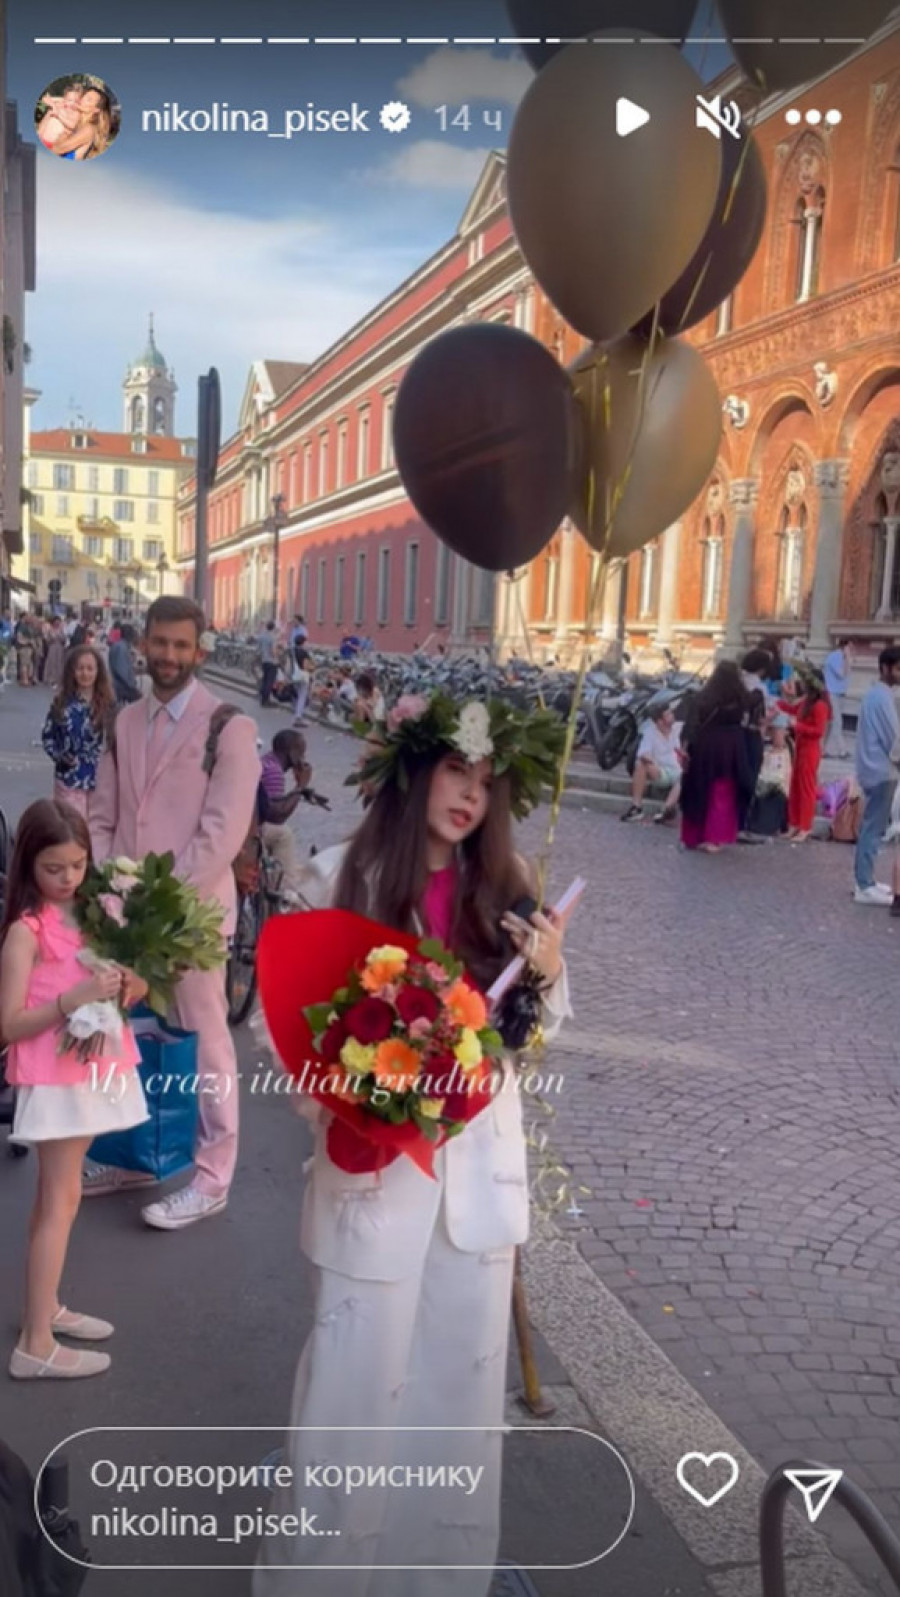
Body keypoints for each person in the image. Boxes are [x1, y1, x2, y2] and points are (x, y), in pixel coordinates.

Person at [252, 693, 571, 1596]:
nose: (469, 795)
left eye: (485, 781)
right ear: (415, 769)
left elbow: (536, 1029)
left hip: (475, 1190)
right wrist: (359, 1097)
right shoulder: (337, 878)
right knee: (349, 1397)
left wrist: (546, 974)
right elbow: (279, 1029)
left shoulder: (507, 891)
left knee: (455, 1402)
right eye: (455, 771)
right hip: (375, 1178)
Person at [84, 596, 260, 1223]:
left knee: (205, 1044)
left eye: (181, 645)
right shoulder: (125, 721)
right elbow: (102, 813)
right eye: (160, 643)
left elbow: (221, 834)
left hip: (193, 921)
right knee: (131, 1040)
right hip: (126, 914)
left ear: (199, 651)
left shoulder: (228, 728)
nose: (169, 655)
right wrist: (113, 885)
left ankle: (212, 1176)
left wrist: (159, 903)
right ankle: (136, 1157)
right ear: (143, 644)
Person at [0, 800, 148, 1380]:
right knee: (61, 1199)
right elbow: (9, 1025)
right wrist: (73, 999)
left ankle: (45, 1309)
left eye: (78, 865)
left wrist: (128, 984)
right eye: (53, 868)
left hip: (87, 1070)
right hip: (55, 1079)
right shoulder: (25, 931)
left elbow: (130, 985)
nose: (68, 878)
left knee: (56, 1199)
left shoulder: (94, 914)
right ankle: (36, 1344)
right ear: (28, 864)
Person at [680, 661, 756, 854]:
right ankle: (715, 837)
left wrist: (686, 748)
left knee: (700, 791)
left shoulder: (704, 697)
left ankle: (695, 836)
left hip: (706, 746)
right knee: (723, 792)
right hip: (732, 748)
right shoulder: (741, 699)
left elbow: (692, 725)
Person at [41, 646, 114, 819]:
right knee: (72, 828)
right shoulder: (62, 704)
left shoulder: (109, 706)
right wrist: (61, 757)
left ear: (98, 672)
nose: (85, 674)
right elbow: (48, 737)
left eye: (90, 669)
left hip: (101, 782)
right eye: (80, 668)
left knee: (97, 830)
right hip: (69, 780)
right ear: (72, 671)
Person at [853, 644, 900, 905]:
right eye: (898, 669)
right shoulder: (881, 698)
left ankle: (866, 879)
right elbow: (894, 740)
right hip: (881, 771)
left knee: (874, 826)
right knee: (873, 828)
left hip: (874, 769)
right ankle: (864, 884)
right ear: (885, 668)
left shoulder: (877, 695)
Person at [258, 730, 313, 898]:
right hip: (255, 826)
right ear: (292, 753)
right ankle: (286, 892)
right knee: (284, 835)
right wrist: (301, 786)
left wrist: (298, 792)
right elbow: (277, 815)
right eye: (301, 752)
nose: (303, 757)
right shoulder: (274, 771)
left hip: (252, 821)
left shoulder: (267, 761)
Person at [778, 666, 830, 842]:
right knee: (795, 787)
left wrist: (797, 726)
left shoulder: (820, 705)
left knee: (806, 788)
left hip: (810, 750)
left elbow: (818, 731)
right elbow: (792, 709)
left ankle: (805, 826)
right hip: (801, 747)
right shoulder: (807, 702)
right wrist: (777, 703)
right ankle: (794, 823)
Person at [620, 704, 683, 824]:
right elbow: (643, 753)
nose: (672, 716)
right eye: (668, 714)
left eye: (671, 713)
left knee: (685, 775)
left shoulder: (679, 728)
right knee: (640, 764)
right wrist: (652, 764)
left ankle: (666, 810)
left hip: (678, 771)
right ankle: (636, 808)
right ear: (659, 721)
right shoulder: (650, 732)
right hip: (660, 771)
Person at [746, 715, 792, 839]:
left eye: (779, 731)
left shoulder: (788, 751)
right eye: (774, 732)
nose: (776, 735)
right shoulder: (766, 750)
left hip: (779, 790)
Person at [52, 85, 113, 160]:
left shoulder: (89, 129)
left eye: (89, 99)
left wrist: (63, 135)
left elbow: (57, 149)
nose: (82, 100)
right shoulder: (77, 124)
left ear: (96, 109)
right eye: (83, 96)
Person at [823, 639, 852, 759]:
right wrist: (847, 659)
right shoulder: (835, 656)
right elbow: (841, 674)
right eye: (850, 647)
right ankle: (842, 750)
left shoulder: (843, 658)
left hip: (839, 693)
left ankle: (822, 749)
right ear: (844, 646)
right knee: (837, 721)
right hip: (832, 693)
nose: (851, 650)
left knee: (830, 723)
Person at [37, 83, 84, 151]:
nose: (72, 103)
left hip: (54, 145)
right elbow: (45, 99)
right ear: (64, 99)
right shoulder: (60, 105)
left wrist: (58, 114)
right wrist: (56, 104)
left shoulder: (76, 113)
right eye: (70, 100)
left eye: (76, 101)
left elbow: (72, 125)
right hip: (43, 139)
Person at [107, 623, 141, 704]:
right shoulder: (121, 648)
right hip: (122, 687)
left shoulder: (121, 646)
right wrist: (132, 686)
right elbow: (122, 671)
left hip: (119, 685)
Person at [41, 617, 66, 692]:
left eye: (58, 622)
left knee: (59, 663)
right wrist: (51, 637)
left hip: (60, 647)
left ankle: (58, 679)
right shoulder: (50, 630)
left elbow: (64, 639)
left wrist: (60, 636)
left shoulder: (61, 630)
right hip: (52, 647)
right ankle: (50, 679)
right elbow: (47, 640)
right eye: (56, 622)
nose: (57, 623)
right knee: (51, 662)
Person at [257, 620, 278, 707]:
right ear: (273, 628)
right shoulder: (272, 637)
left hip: (264, 660)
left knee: (265, 680)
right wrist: (276, 658)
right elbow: (273, 650)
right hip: (271, 661)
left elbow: (259, 648)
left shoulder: (261, 636)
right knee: (269, 681)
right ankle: (266, 700)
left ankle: (262, 698)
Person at [14, 613, 37, 686]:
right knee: (25, 664)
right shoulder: (23, 627)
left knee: (26, 664)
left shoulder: (28, 627)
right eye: (29, 618)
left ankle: (24, 679)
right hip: (25, 647)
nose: (31, 620)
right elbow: (19, 637)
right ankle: (25, 680)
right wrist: (28, 641)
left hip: (28, 648)